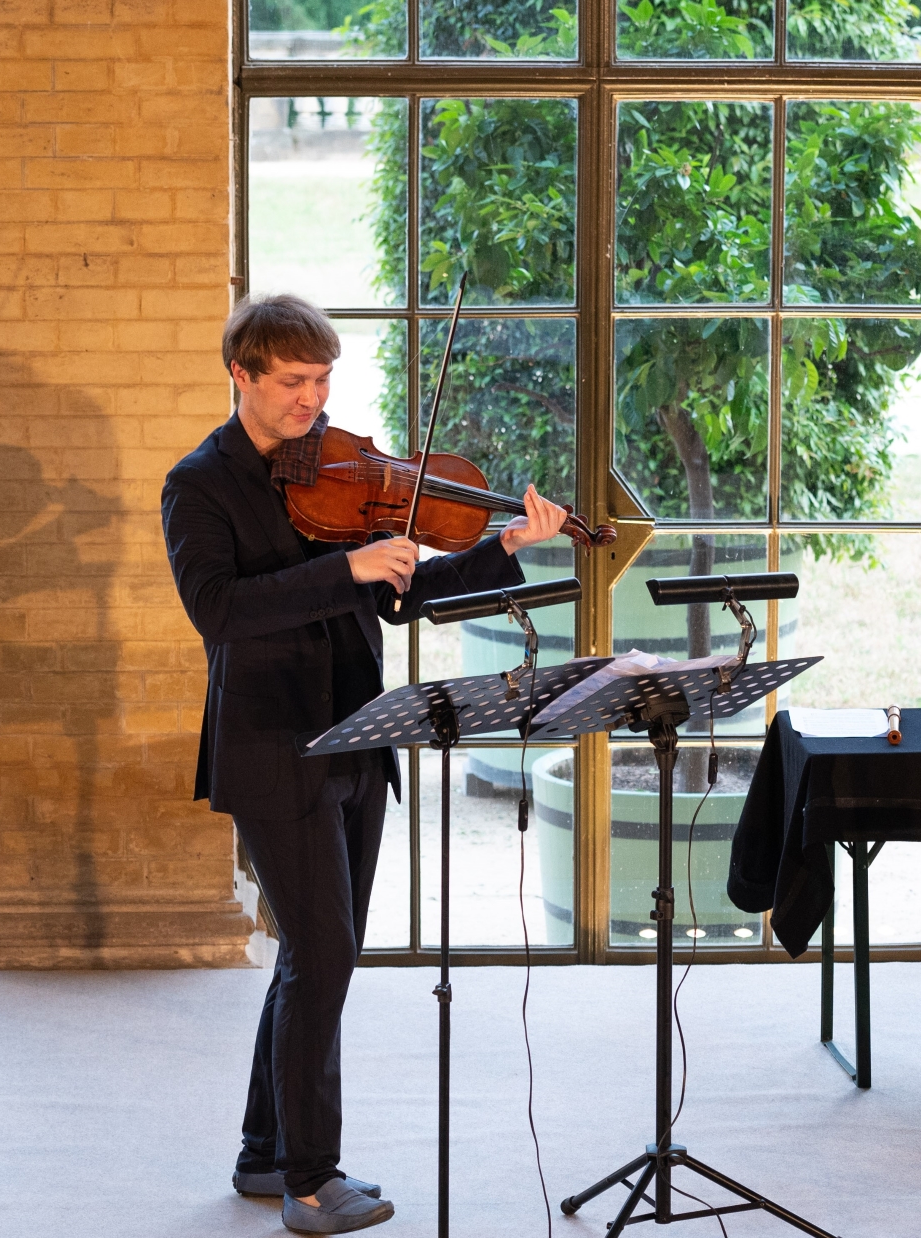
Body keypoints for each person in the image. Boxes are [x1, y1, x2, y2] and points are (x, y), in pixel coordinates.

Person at [161, 294, 568, 1234]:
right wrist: (340, 571)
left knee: (314, 955)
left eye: (325, 380)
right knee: (326, 953)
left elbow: (398, 590)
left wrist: (502, 546)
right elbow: (219, 612)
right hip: (274, 746)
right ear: (242, 376)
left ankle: (265, 1154)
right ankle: (311, 1179)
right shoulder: (200, 485)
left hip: (361, 736)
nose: (315, 399)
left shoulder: (336, 472)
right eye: (296, 382)